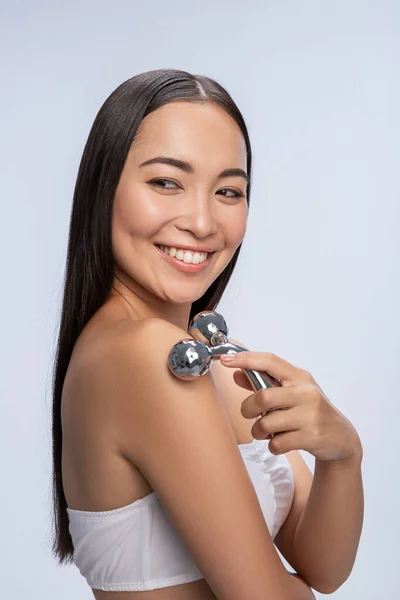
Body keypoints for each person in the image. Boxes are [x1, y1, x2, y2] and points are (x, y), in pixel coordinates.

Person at [51, 69, 364, 600]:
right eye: (166, 182)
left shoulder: (212, 357)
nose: (201, 221)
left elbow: (323, 568)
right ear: (105, 187)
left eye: (228, 190)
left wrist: (343, 456)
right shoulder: (146, 355)